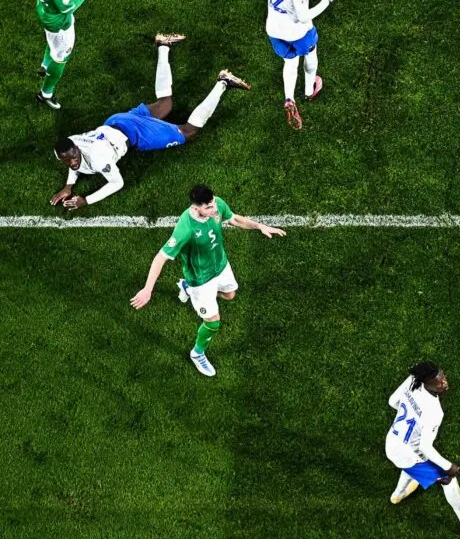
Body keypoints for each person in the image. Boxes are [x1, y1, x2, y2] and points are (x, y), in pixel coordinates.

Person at [50, 34, 250, 210]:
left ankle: (223, 82)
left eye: (73, 157)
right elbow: (72, 159)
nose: (72, 162)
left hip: (134, 133)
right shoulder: (70, 145)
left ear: (77, 148)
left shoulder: (99, 159)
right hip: (116, 121)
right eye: (68, 160)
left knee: (188, 132)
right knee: (165, 105)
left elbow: (116, 183)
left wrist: (85, 200)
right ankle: (163, 45)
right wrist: (68, 185)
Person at [130, 184, 286, 376]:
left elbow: (234, 219)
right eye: (208, 208)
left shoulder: (217, 204)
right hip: (201, 279)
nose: (214, 209)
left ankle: (186, 289)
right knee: (213, 323)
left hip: (221, 266)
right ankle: (197, 353)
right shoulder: (185, 229)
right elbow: (160, 257)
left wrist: (259, 226)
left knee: (230, 295)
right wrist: (147, 289)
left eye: (213, 204)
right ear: (196, 208)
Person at [386, 362, 460, 539]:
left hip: (392, 442)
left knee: (413, 465)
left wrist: (412, 415)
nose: (444, 382)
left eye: (443, 376)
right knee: (448, 479)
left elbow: (392, 401)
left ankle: (398, 495)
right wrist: (449, 466)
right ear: (426, 382)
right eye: (438, 380)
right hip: (409, 453)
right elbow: (425, 447)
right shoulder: (434, 411)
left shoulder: (413, 380)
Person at [252, 0, 333, 129]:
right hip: (298, 33)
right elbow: (304, 17)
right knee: (310, 54)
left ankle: (289, 99)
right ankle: (308, 90)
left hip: (273, 29)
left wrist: (276, 1)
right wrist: (326, 1)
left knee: (289, 61)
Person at [15, 0, 93, 110]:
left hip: (44, 11)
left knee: (52, 42)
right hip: (59, 24)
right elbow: (69, 8)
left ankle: (44, 65)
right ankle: (46, 94)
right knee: (61, 57)